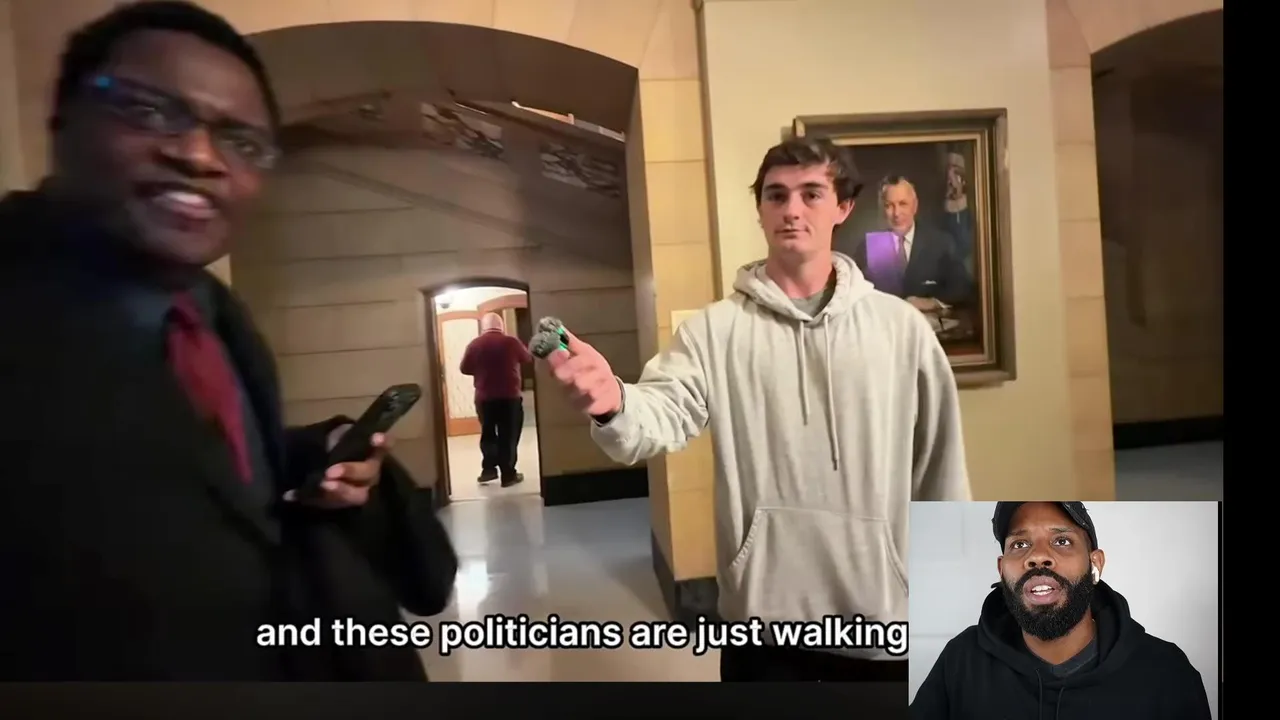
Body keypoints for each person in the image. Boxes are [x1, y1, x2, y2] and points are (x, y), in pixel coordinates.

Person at [0, 1, 457, 680]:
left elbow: (203, 469)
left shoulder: (212, 311)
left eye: (242, 142)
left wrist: (312, 458)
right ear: (63, 120)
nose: (198, 155)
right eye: (149, 111)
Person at [541, 137, 971, 681]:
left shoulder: (901, 330)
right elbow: (659, 414)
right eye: (776, 195)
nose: (792, 209)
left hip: (884, 628)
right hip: (762, 631)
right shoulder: (714, 332)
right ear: (761, 210)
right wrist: (614, 403)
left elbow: (942, 471)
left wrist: (956, 606)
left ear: (842, 207)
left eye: (811, 194)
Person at [910, 502, 1213, 719]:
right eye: (1020, 544)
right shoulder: (962, 659)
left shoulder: (1166, 671)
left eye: (1062, 540)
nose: (1038, 556)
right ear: (1002, 570)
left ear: (1095, 563)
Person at [853, 175, 971, 309]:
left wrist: (932, 302)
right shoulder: (868, 247)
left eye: (903, 204)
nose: (896, 213)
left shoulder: (940, 242)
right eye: (889, 205)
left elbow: (962, 287)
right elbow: (856, 295)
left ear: (915, 206)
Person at [459, 311, 534, 487]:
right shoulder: (511, 342)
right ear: (501, 326)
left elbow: (464, 368)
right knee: (509, 435)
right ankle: (508, 475)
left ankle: (489, 470)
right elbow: (527, 358)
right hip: (510, 397)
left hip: (484, 398)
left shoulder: (475, 344)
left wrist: (481, 370)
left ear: (483, 327)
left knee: (488, 434)